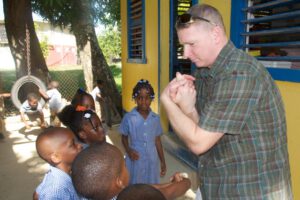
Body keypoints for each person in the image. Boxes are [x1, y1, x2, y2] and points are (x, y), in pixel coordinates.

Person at [160, 4, 293, 200]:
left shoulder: (240, 73)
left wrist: (166, 100)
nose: (186, 54)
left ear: (215, 34)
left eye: (192, 44)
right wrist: (188, 108)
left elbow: (198, 142)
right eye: (183, 46)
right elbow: (205, 130)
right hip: (218, 182)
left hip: (253, 190)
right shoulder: (205, 71)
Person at [71, 143, 191, 200]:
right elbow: (170, 192)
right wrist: (184, 181)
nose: (126, 165)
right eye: (124, 165)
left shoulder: (106, 193)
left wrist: (171, 183)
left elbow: (148, 187)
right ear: (119, 182)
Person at [119, 79, 166, 184]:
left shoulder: (155, 118)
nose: (144, 101)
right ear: (135, 99)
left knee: (151, 186)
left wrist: (162, 161)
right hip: (136, 158)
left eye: (147, 98)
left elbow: (157, 140)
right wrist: (129, 150)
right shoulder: (129, 118)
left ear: (152, 99)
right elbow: (124, 137)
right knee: (136, 185)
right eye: (140, 98)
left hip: (151, 159)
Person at [33, 127, 83, 200]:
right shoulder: (55, 190)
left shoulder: (66, 172)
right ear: (56, 157)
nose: (79, 145)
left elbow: (37, 194)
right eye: (72, 144)